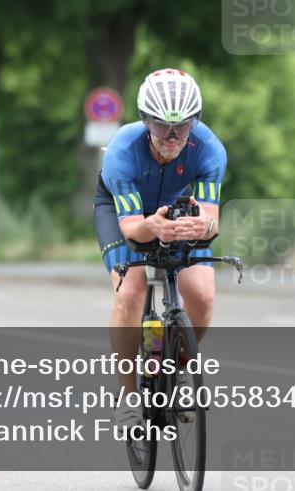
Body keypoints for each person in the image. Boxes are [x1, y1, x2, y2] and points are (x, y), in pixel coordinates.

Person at [95, 69, 226, 428]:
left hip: (177, 207)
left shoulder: (210, 150)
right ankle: (127, 396)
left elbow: (212, 219)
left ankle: (179, 369)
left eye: (182, 127)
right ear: (144, 120)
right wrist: (152, 226)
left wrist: (205, 225)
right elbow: (133, 229)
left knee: (202, 295)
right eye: (160, 126)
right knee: (131, 292)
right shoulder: (123, 150)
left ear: (195, 122)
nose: (171, 136)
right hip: (125, 211)